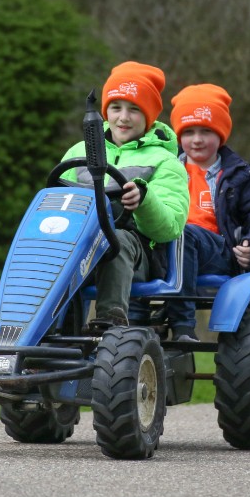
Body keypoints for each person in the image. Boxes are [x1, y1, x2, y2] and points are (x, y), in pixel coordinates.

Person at [60, 61, 189, 329]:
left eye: (134, 109)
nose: (123, 117)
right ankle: (48, 331)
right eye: (116, 108)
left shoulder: (165, 161)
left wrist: (144, 200)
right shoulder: (77, 153)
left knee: (114, 240)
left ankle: (110, 322)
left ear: (149, 116)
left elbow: (171, 226)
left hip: (137, 251)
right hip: (80, 245)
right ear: (105, 111)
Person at [166, 83, 250, 341]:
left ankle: (183, 326)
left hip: (218, 251)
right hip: (166, 247)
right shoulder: (165, 169)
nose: (196, 140)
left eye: (206, 131)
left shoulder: (240, 176)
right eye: (189, 131)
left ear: (221, 134)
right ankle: (132, 325)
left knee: (184, 234)